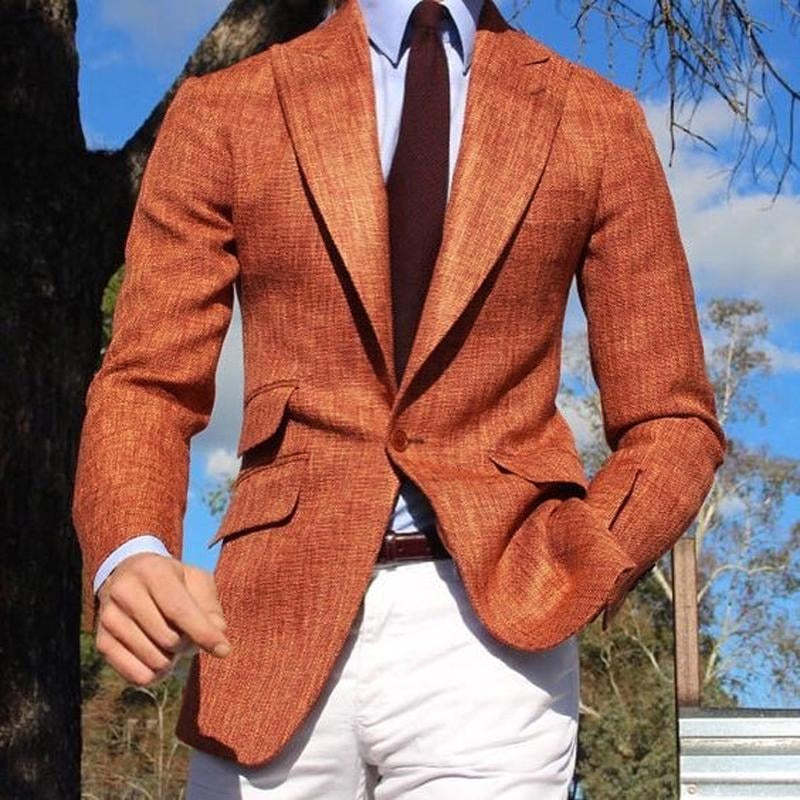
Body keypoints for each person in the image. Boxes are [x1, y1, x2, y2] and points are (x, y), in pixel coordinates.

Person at [71, 0, 727, 795]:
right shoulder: (227, 108)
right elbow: (147, 381)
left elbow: (673, 418)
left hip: (497, 637)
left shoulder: (596, 120)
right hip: (263, 629)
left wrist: (581, 561)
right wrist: (130, 546)